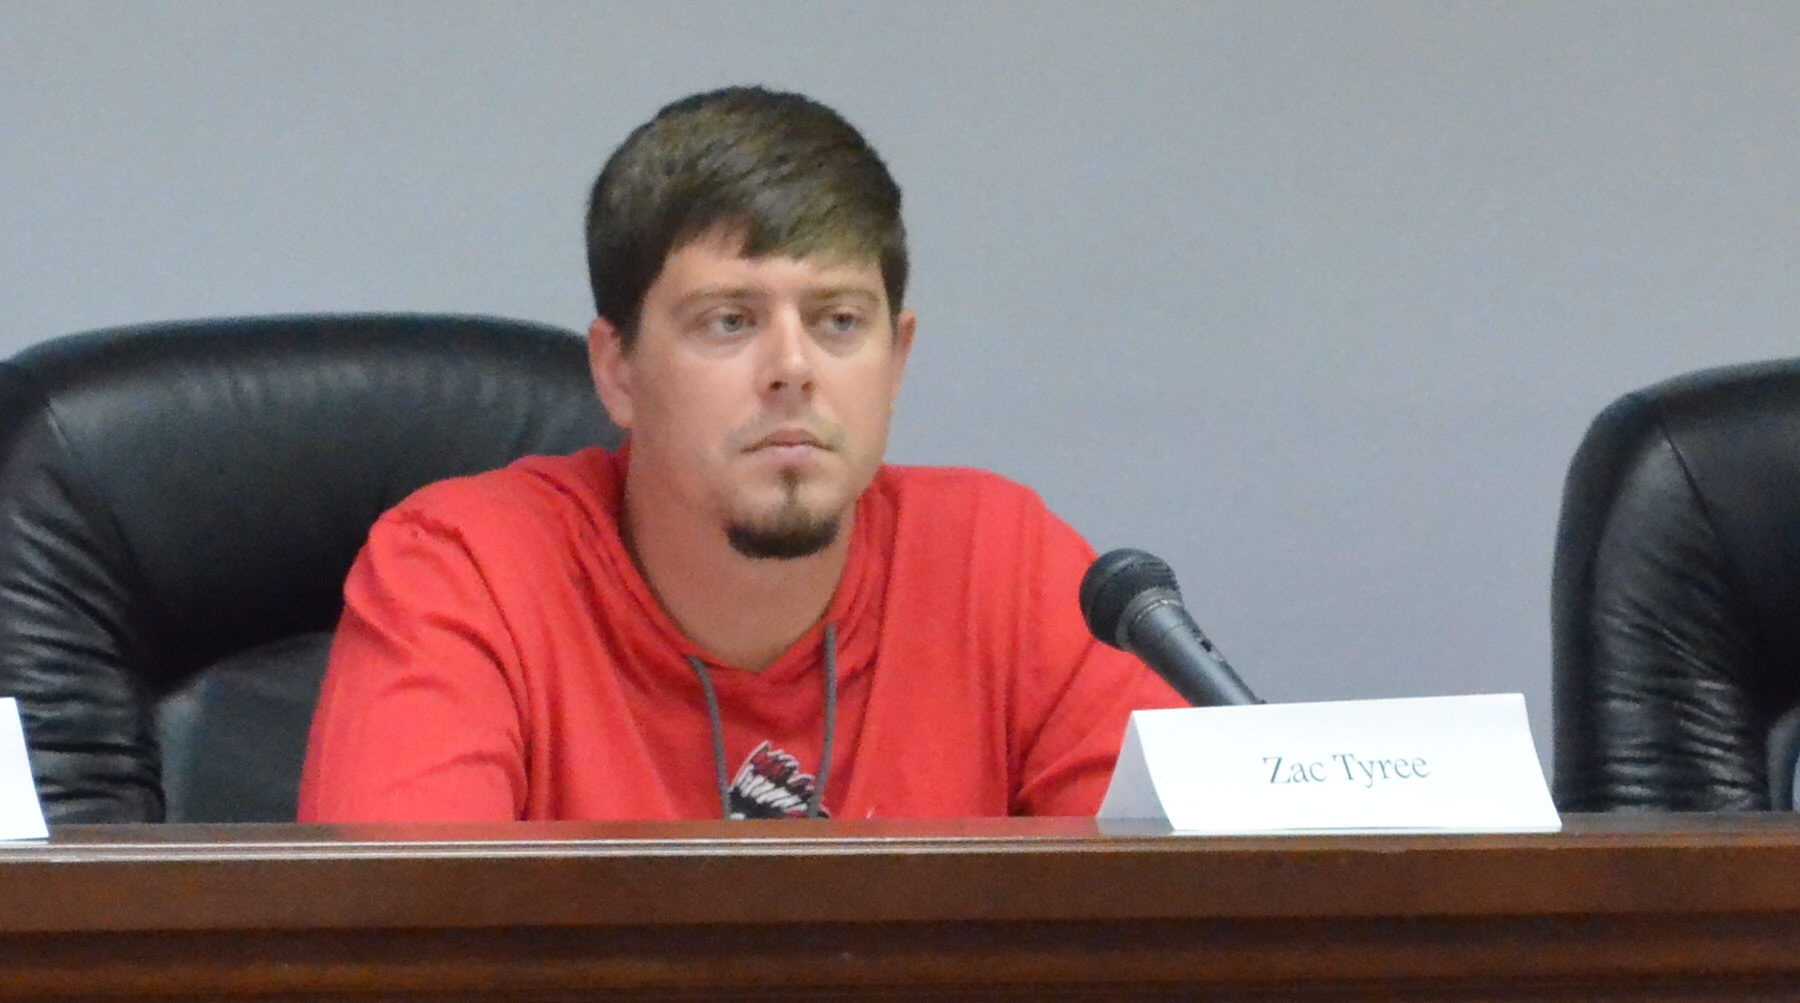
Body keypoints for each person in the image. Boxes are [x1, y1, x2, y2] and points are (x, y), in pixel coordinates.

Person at [297, 86, 1183, 823]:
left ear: (896, 361)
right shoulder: (467, 571)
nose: (793, 368)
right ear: (617, 371)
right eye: (730, 321)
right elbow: (397, 939)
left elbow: (1186, 915)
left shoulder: (1003, 564)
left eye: (840, 320)